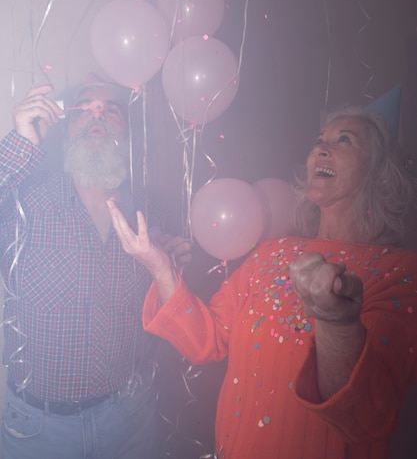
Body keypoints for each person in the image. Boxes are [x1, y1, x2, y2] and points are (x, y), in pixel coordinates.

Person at [107, 108, 417, 459]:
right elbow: (205, 341)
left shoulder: (401, 273)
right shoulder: (272, 252)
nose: (321, 149)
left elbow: (365, 414)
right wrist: (161, 268)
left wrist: (337, 323)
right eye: (319, 142)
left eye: (344, 140)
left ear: (379, 170)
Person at [0, 80, 190, 459]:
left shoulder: (153, 209)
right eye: (84, 108)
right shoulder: (25, 200)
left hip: (134, 416)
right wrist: (21, 141)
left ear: (127, 132)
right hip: (40, 430)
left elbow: (167, 304)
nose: (97, 115)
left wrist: (174, 269)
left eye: (111, 109)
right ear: (65, 126)